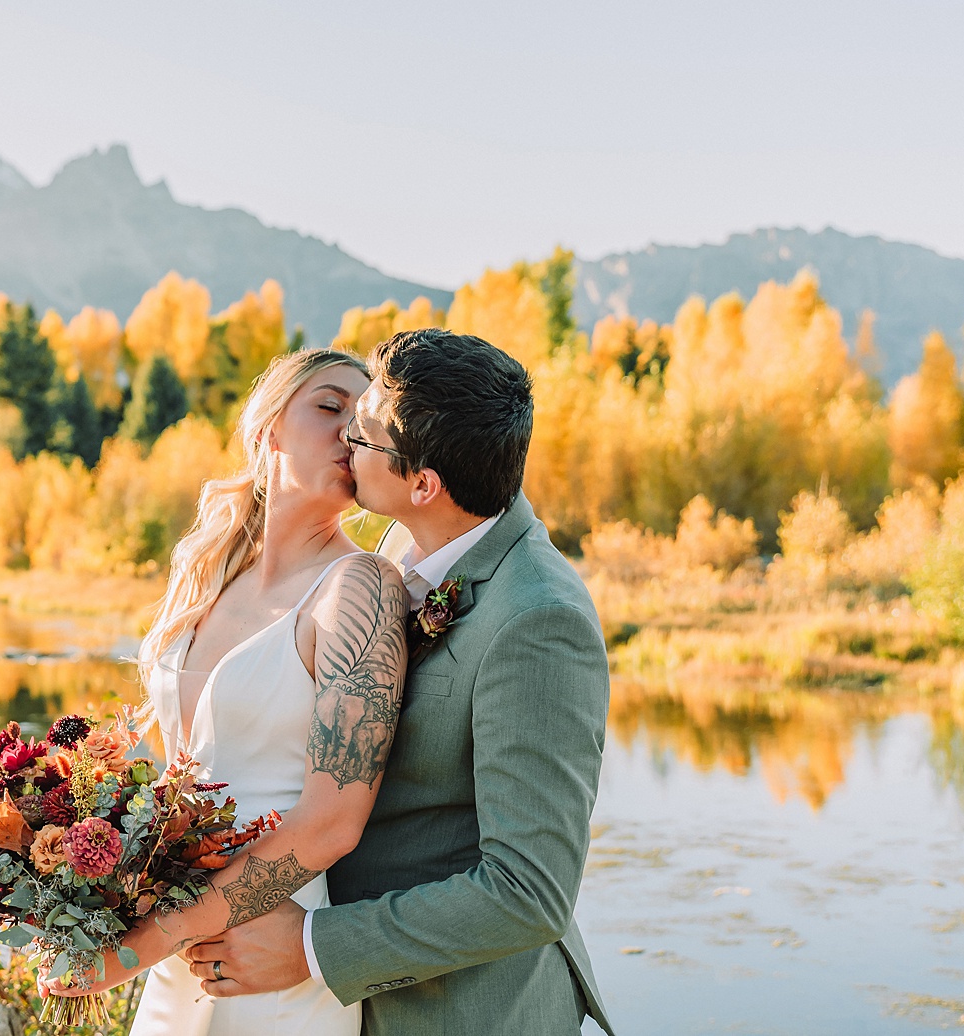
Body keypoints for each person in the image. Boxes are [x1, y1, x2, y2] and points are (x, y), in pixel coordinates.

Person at [178, 329, 616, 1035]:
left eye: (367, 432)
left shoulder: (539, 620)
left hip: (463, 1012)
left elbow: (530, 893)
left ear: (423, 483)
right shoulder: (401, 547)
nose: (348, 437)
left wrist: (312, 948)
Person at [47, 347, 410, 1036]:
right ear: (270, 427)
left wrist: (140, 944)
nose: (348, 434)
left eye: (362, 423)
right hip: (176, 952)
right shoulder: (209, 576)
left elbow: (332, 823)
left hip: (263, 953)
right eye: (329, 407)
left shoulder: (359, 589)